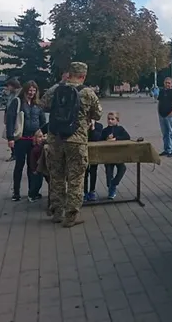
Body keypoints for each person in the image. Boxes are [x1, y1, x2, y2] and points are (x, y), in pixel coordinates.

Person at [41, 62, 102, 227]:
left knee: (56, 177)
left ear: (68, 74)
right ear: (83, 76)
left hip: (55, 139)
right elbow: (98, 113)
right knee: (76, 178)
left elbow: (43, 105)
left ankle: (57, 212)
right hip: (76, 140)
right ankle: (71, 216)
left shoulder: (55, 90)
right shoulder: (87, 92)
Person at [6, 81, 46, 202]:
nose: (31, 93)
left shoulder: (38, 105)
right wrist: (10, 138)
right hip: (20, 139)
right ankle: (16, 192)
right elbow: (10, 120)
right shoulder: (17, 102)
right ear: (25, 90)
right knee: (19, 165)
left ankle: (32, 192)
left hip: (34, 140)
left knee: (32, 166)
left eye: (34, 90)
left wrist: (43, 135)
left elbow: (42, 121)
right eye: (30, 90)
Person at [101, 111, 130, 199]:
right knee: (109, 172)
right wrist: (106, 139)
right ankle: (111, 189)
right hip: (108, 155)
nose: (110, 121)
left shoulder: (120, 129)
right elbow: (99, 139)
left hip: (118, 154)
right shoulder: (105, 130)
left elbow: (127, 137)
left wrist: (116, 139)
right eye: (109, 119)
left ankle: (114, 183)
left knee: (122, 168)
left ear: (117, 120)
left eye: (112, 119)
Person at [157, 77, 172, 157]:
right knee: (165, 134)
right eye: (166, 83)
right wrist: (159, 112)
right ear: (164, 83)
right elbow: (159, 102)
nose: (168, 84)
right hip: (162, 116)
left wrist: (170, 115)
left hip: (170, 116)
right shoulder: (162, 92)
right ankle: (167, 149)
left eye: (169, 83)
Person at [30, 128, 50, 211]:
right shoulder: (35, 149)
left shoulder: (45, 146)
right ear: (35, 138)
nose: (42, 138)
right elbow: (32, 161)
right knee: (37, 183)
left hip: (45, 168)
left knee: (50, 181)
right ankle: (31, 195)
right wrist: (34, 169)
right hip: (38, 168)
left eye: (43, 136)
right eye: (39, 137)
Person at [84, 119, 104, 202]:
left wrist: (92, 128)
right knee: (84, 173)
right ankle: (84, 192)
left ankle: (92, 191)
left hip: (94, 152)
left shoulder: (99, 126)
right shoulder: (81, 124)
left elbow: (97, 138)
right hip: (84, 152)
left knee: (93, 172)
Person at [3, 78, 21, 162]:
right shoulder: (11, 94)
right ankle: (14, 153)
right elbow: (7, 106)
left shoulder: (19, 94)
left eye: (9, 86)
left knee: (15, 134)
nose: (7, 88)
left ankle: (15, 153)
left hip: (16, 117)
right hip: (10, 117)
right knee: (10, 134)